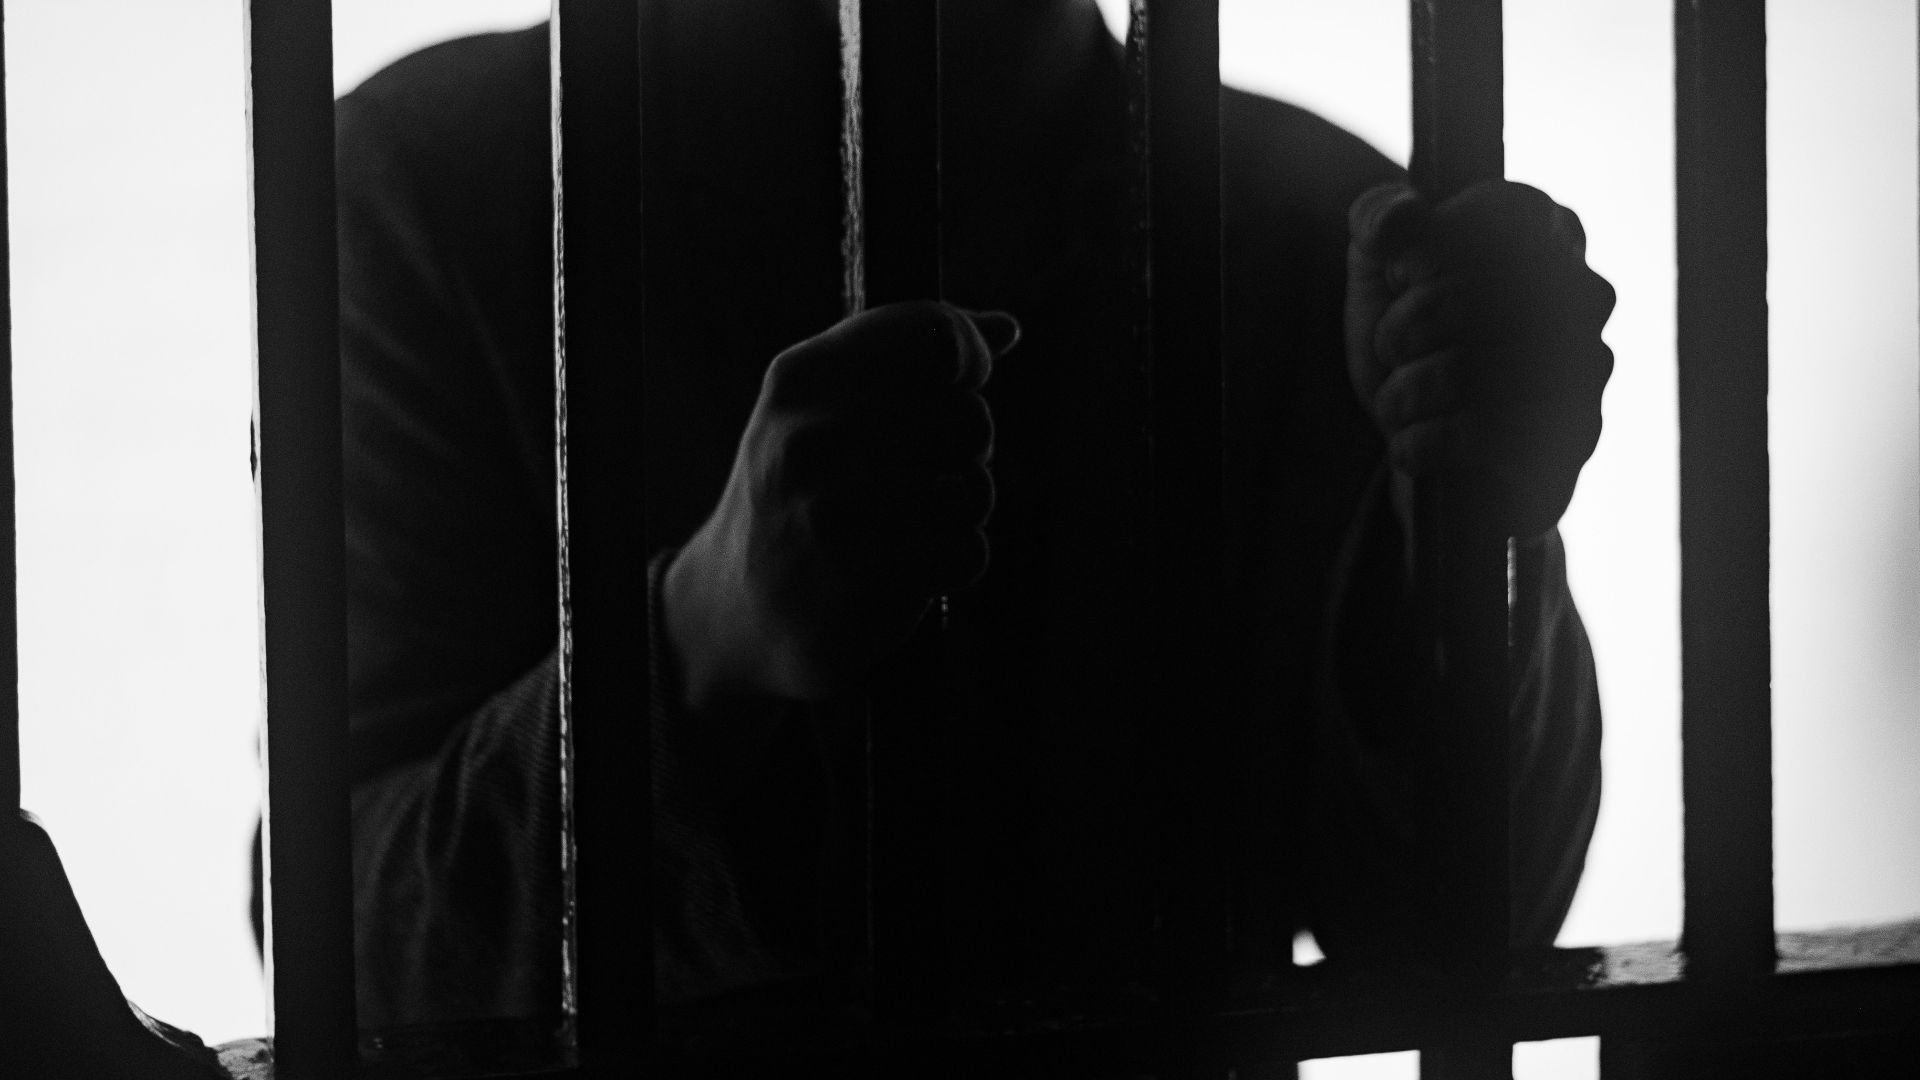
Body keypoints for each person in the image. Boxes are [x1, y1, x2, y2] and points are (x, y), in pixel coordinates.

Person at [333, 0, 1610, 1037]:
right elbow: (352, 945)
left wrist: (1468, 531)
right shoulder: (432, 183)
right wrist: (698, 637)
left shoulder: (1305, 228)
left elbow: (1463, 929)